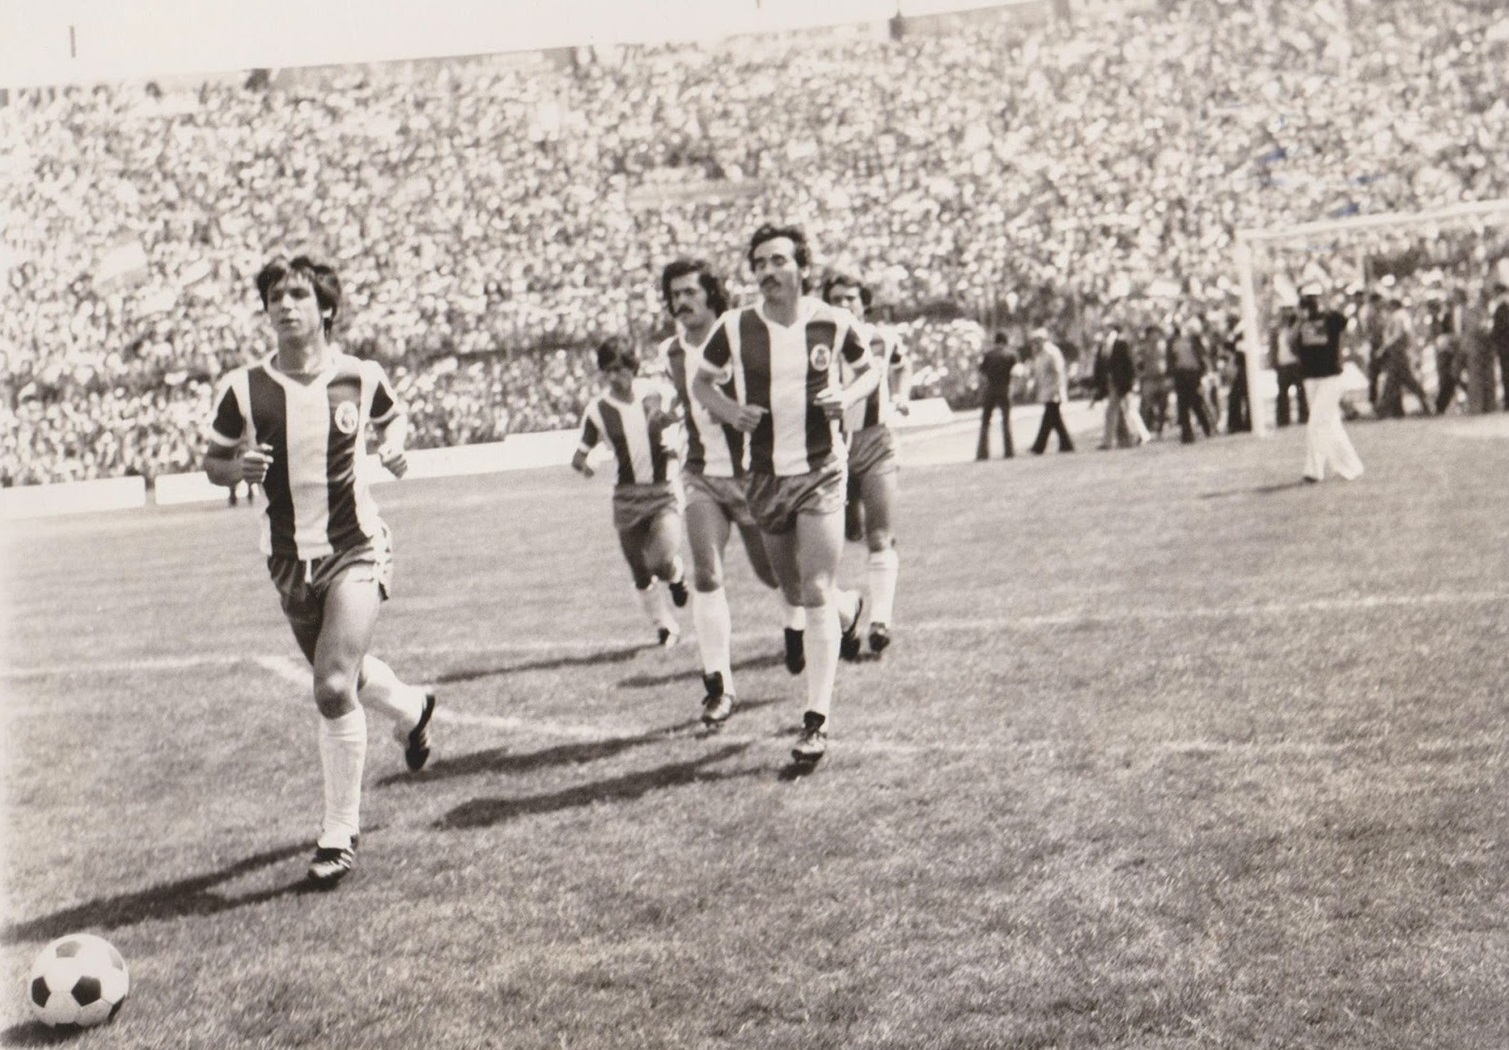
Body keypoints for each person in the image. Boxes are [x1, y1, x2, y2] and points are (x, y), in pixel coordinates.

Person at [203, 255, 436, 889]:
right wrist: (237, 468)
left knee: (332, 687)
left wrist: (392, 445)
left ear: (325, 308)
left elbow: (392, 417)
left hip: (355, 547)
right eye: (276, 295)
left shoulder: (360, 376)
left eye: (299, 294)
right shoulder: (243, 388)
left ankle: (339, 832)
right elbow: (213, 462)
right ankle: (413, 708)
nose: (285, 304)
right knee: (347, 677)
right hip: (286, 559)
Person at [692, 223, 878, 764]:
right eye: (760, 264)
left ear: (802, 267)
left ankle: (816, 721)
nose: (768, 271)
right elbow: (702, 384)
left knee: (814, 589)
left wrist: (847, 394)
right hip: (764, 476)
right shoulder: (733, 327)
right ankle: (849, 607)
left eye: (778, 261)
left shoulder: (833, 322)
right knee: (793, 590)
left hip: (821, 470)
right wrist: (731, 412)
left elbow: (869, 370)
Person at [653, 257, 780, 727]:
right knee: (706, 575)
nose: (681, 302)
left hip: (753, 475)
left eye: (690, 291)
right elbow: (671, 400)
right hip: (701, 474)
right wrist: (663, 415)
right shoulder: (670, 352)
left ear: (712, 293)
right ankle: (719, 686)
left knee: (777, 576)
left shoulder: (740, 336)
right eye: (674, 295)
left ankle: (842, 608)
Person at [572, 336, 689, 647]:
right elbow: (579, 456)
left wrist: (677, 443)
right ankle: (665, 627)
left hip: (663, 492)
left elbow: (688, 422)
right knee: (640, 570)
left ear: (632, 366)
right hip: (626, 498)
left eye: (619, 368)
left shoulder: (660, 395)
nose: (614, 376)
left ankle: (675, 574)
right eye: (607, 371)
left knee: (659, 561)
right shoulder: (598, 410)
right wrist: (587, 464)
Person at [822, 272, 909, 656]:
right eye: (835, 298)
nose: (843, 305)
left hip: (876, 441)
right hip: (830, 446)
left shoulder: (881, 338)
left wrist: (901, 395)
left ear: (864, 304)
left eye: (850, 298)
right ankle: (846, 612)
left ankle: (880, 622)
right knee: (837, 540)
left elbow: (902, 365)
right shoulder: (816, 341)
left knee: (878, 534)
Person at [1293, 282, 1364, 483]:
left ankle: (1313, 471)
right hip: (1310, 376)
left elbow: (1349, 328)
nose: (1312, 303)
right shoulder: (1300, 321)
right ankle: (1351, 465)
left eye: (1314, 298)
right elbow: (1291, 344)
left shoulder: (1332, 317)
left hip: (1331, 376)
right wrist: (1299, 321)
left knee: (1316, 423)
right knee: (1330, 424)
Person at [1376, 292, 1431, 418]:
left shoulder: (1398, 316)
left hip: (1397, 353)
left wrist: (1383, 348)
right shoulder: (1403, 315)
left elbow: (1398, 334)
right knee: (1398, 382)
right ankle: (1392, 410)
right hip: (1400, 352)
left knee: (1396, 382)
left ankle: (1382, 410)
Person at [1090, 319, 1140, 449]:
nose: (1104, 330)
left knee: (1111, 412)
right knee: (1122, 412)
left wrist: (1131, 381)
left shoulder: (1120, 343)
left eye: (1107, 327)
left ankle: (1108, 442)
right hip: (1108, 383)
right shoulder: (1103, 345)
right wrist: (1097, 384)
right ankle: (1131, 437)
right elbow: (1099, 367)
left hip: (1120, 382)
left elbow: (1129, 363)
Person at [1026, 327, 1074, 454]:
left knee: (1048, 419)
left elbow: (1058, 372)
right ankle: (1066, 444)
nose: (1035, 343)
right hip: (1046, 390)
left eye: (1037, 340)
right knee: (1055, 419)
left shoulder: (1051, 353)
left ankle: (1039, 446)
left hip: (1053, 390)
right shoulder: (1039, 354)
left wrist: (1056, 389)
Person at [1167, 316, 1214, 443]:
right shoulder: (1172, 342)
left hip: (1193, 374)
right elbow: (1170, 360)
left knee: (1196, 402)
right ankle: (1187, 434)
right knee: (1182, 405)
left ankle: (1207, 428)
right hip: (1180, 374)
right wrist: (1171, 375)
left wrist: (1205, 373)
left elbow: (1203, 356)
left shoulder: (1194, 340)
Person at [976, 331, 1016, 459]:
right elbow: (1015, 371)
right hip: (1004, 388)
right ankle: (1009, 451)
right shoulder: (1010, 355)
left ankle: (982, 452)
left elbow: (982, 371)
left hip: (991, 388)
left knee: (985, 421)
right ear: (1005, 341)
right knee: (1005, 420)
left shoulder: (988, 355)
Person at [1272, 305, 1308, 427]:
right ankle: (1283, 419)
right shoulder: (1277, 329)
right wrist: (1274, 363)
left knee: (1301, 391)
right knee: (1282, 393)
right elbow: (1274, 348)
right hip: (1282, 364)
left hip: (1295, 363)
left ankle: (1304, 417)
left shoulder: (1297, 327)